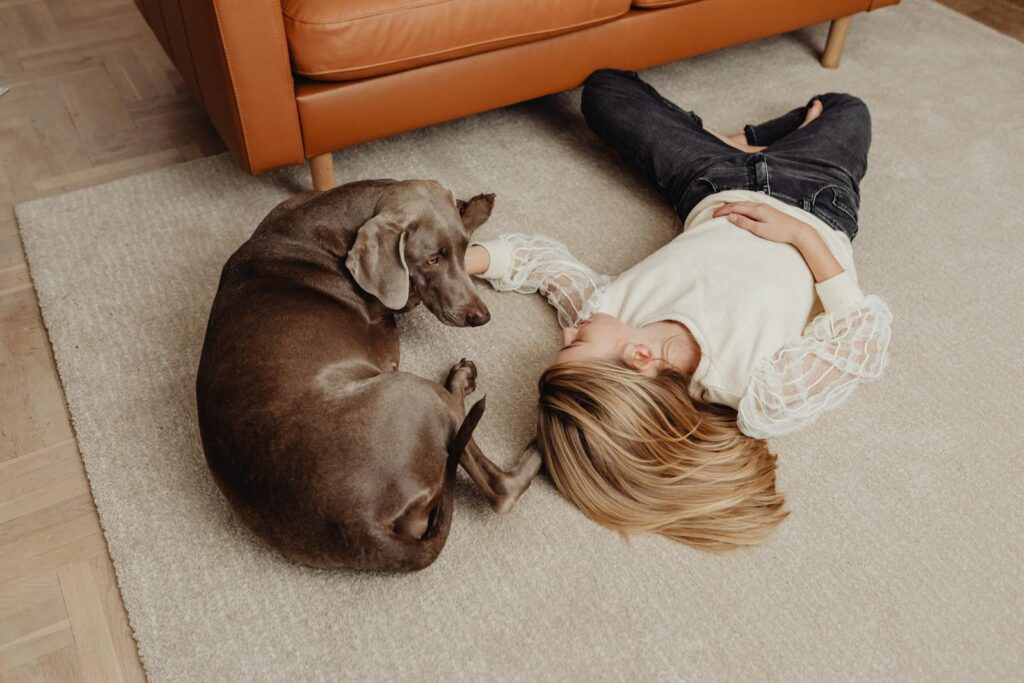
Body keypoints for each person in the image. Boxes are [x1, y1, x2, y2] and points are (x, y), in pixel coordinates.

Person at [463, 69, 893, 551]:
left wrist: (462, 261)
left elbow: (541, 265)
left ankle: (739, 145)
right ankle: (762, 141)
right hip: (818, 196)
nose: (565, 334)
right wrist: (801, 237)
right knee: (846, 107)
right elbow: (860, 341)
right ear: (640, 359)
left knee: (605, 90)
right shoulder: (755, 389)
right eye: (575, 344)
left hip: (711, 180)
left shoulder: (604, 311)